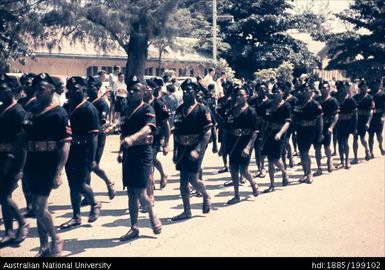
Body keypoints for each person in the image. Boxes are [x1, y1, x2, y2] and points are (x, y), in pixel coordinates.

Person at [23, 73, 72, 257]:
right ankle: (44, 247)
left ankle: (56, 238)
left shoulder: (60, 113)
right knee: (37, 207)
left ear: (52, 90)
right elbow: (24, 134)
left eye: (41, 89)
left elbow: (65, 144)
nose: (37, 92)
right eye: (36, 88)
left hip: (49, 162)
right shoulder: (32, 109)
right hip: (32, 161)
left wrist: (59, 171)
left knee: (39, 206)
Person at [118, 76, 162, 241]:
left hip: (143, 152)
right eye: (130, 89)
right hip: (129, 154)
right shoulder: (125, 110)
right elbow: (123, 131)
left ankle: (151, 214)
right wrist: (120, 150)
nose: (131, 92)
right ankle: (134, 227)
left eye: (136, 89)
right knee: (130, 192)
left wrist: (132, 139)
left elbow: (148, 129)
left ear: (144, 92)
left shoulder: (147, 109)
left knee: (140, 191)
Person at [60, 76, 101, 229]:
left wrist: (92, 158)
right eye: (70, 89)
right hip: (70, 150)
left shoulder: (89, 109)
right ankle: (76, 216)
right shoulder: (66, 107)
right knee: (72, 184)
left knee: (80, 183)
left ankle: (95, 203)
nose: (72, 92)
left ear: (84, 89)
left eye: (76, 89)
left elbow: (94, 136)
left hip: (84, 149)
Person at [171, 79, 212, 221]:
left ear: (195, 92)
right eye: (184, 90)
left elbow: (207, 132)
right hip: (182, 146)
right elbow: (176, 131)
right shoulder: (179, 109)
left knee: (193, 179)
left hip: (196, 146)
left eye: (189, 90)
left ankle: (206, 195)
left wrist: (199, 149)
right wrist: (175, 151)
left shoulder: (202, 109)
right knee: (183, 180)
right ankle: (186, 210)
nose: (186, 92)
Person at [0, 74, 29, 248]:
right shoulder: (2, 109)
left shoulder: (18, 112)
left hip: (13, 159)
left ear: (13, 90)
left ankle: (22, 222)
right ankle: (9, 232)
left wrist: (19, 166)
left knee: (3, 195)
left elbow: (23, 141)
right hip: (1, 158)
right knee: (4, 196)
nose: (0, 93)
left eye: (3, 89)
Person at [222, 86, 260, 204]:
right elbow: (226, 128)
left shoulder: (251, 111)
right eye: (237, 95)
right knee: (233, 168)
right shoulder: (232, 110)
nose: (238, 97)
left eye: (241, 95)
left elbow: (255, 131)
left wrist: (248, 147)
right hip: (233, 142)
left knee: (243, 170)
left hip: (245, 141)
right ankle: (236, 195)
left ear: (246, 97)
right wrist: (223, 146)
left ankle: (253, 183)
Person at [83, 77, 116, 201]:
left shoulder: (101, 103)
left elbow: (102, 123)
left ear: (97, 88)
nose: (88, 89)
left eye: (91, 87)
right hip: (85, 137)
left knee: (93, 164)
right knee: (86, 166)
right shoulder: (86, 102)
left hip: (97, 137)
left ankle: (109, 182)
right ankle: (87, 195)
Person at [261, 84, 291, 192]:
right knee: (269, 159)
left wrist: (280, 133)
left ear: (283, 93)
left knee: (276, 159)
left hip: (280, 134)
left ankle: (284, 172)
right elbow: (265, 119)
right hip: (269, 132)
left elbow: (287, 122)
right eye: (275, 91)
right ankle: (272, 185)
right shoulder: (268, 104)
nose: (276, 93)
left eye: (279, 91)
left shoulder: (286, 106)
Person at [144, 78, 170, 193]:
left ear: (153, 89)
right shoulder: (140, 103)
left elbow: (166, 124)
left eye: (148, 87)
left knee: (151, 160)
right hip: (142, 137)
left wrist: (167, 144)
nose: (146, 89)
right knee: (151, 160)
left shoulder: (159, 104)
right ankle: (161, 175)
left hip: (156, 136)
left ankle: (150, 189)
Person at [294, 85, 323, 184]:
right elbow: (295, 118)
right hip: (300, 129)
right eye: (304, 90)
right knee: (301, 152)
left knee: (305, 152)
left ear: (311, 92)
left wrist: (319, 134)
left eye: (308, 90)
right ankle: (305, 173)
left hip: (311, 129)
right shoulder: (298, 103)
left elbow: (320, 120)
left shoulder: (315, 104)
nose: (305, 92)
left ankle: (309, 173)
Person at [18, 73, 37, 218]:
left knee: (33, 176)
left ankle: (37, 206)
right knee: (24, 176)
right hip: (23, 143)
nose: (26, 85)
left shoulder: (38, 102)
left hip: (35, 143)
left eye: (29, 83)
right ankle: (30, 205)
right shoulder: (21, 102)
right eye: (24, 83)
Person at [313, 81, 339, 176]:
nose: (323, 89)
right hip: (317, 127)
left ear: (329, 88)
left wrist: (331, 127)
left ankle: (329, 160)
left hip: (327, 126)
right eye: (322, 88)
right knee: (317, 148)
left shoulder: (333, 101)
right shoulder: (317, 100)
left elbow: (336, 115)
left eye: (325, 87)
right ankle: (319, 167)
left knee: (326, 147)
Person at [249, 82, 269, 178]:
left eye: (264, 89)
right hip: (254, 127)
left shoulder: (269, 102)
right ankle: (259, 168)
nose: (263, 91)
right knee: (256, 148)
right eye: (260, 90)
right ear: (257, 91)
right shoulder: (253, 101)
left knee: (263, 148)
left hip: (266, 128)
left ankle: (264, 167)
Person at [335, 82, 357, 169]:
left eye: (344, 88)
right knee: (339, 143)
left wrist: (354, 127)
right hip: (338, 124)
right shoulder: (336, 99)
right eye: (340, 88)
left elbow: (355, 115)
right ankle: (341, 161)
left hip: (347, 123)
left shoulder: (350, 100)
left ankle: (347, 160)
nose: (342, 90)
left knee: (345, 142)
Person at [351, 81, 374, 164]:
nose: (364, 88)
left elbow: (371, 111)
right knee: (355, 138)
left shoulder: (369, 98)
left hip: (364, 120)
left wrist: (368, 122)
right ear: (360, 88)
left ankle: (367, 149)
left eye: (365, 86)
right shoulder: (355, 97)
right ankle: (355, 157)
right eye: (362, 87)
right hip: (356, 120)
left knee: (362, 139)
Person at [368, 79, 385, 158]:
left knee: (379, 135)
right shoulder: (369, 94)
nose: (376, 85)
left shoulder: (382, 94)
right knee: (370, 135)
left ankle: (381, 146)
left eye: (378, 84)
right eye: (375, 84)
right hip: (370, 118)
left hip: (379, 117)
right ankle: (371, 151)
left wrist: (383, 117)